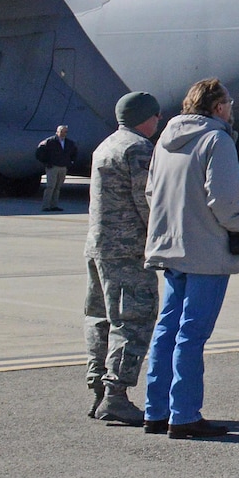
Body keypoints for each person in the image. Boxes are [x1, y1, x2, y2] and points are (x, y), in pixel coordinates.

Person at [141, 78, 239, 439]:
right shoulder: (217, 139)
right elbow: (223, 197)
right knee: (192, 333)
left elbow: (150, 190)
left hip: (171, 246)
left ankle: (156, 410)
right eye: (229, 104)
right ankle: (184, 414)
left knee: (167, 329)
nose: (231, 109)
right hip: (205, 250)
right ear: (218, 107)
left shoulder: (166, 140)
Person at [83, 91, 161, 425]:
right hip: (128, 249)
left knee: (100, 318)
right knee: (133, 320)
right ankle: (116, 393)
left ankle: (99, 386)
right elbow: (148, 200)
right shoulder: (138, 149)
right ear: (147, 117)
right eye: (156, 116)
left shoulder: (107, 144)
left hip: (99, 246)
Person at [36, 124, 78, 212]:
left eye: (65, 132)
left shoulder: (69, 143)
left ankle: (54, 205)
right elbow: (39, 152)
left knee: (58, 187)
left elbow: (74, 152)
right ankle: (46, 206)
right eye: (61, 132)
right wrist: (46, 162)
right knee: (50, 186)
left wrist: (70, 162)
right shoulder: (50, 142)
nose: (63, 134)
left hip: (63, 167)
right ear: (57, 132)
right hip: (53, 167)